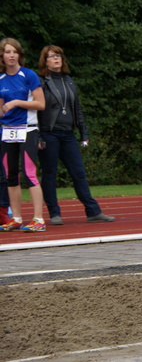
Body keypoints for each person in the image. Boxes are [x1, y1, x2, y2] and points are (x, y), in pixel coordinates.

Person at [37, 45, 115, 225]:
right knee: (50, 173)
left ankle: (93, 212)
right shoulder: (41, 82)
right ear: (45, 61)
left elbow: (77, 109)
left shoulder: (69, 80)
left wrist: (84, 132)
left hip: (68, 134)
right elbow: (37, 111)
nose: (56, 59)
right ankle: (54, 213)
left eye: (58, 55)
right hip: (49, 134)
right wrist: (39, 136)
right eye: (51, 56)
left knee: (78, 173)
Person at [0, 38, 46, 232]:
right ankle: (16, 218)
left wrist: (17, 102)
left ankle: (38, 219)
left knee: (29, 174)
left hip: (27, 129)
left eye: (14, 52)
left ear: (19, 55)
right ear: (2, 56)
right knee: (10, 176)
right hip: (7, 131)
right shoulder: (1, 79)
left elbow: (40, 104)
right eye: (8, 52)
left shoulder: (29, 75)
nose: (11, 55)